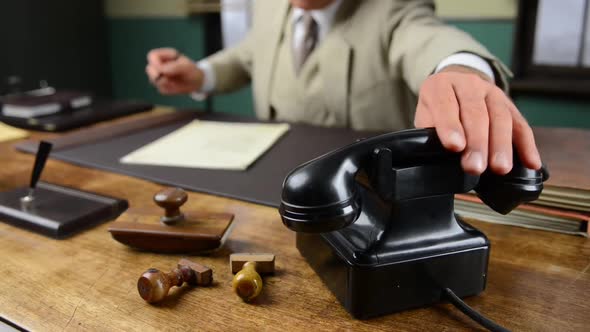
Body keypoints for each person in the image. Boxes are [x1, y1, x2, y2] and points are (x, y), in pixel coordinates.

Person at [145, 0, 542, 176]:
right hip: (268, 177)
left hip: (364, 189)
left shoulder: (392, 6)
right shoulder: (269, 4)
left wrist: (462, 72)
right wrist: (201, 74)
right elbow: (251, 52)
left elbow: (427, 39)